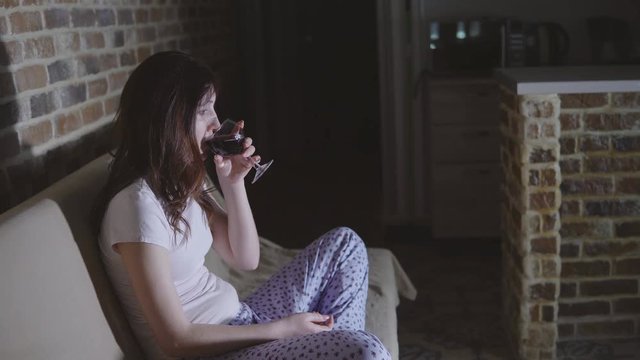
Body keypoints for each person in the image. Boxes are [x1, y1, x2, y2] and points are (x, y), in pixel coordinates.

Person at [93, 51, 391, 360]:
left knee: (346, 246)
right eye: (205, 111)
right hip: (215, 352)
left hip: (241, 320)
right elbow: (176, 340)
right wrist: (282, 329)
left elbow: (246, 258)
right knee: (364, 349)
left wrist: (233, 183)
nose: (217, 123)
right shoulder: (137, 206)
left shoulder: (177, 183)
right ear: (170, 118)